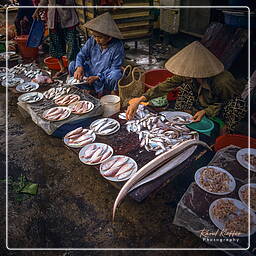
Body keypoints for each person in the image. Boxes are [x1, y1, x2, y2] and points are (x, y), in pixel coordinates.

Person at [126, 41, 247, 133]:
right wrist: (141, 99)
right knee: (185, 87)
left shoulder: (223, 81)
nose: (184, 75)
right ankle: (185, 116)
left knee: (236, 106)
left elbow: (225, 101)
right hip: (202, 99)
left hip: (222, 104)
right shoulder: (188, 74)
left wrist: (206, 111)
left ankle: (225, 132)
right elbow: (166, 85)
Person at [69, 12, 125, 97]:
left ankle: (105, 92)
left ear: (109, 37)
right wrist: (79, 67)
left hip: (103, 77)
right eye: (95, 36)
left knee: (116, 74)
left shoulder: (117, 46)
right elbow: (81, 55)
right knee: (72, 65)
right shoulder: (92, 40)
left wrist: (97, 77)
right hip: (90, 70)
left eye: (100, 37)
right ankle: (86, 88)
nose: (96, 40)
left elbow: (115, 67)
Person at [33, 0, 80, 78]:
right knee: (56, 44)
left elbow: (71, 2)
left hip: (68, 19)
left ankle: (70, 69)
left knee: (72, 46)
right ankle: (62, 68)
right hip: (53, 20)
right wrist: (37, 10)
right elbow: (44, 1)